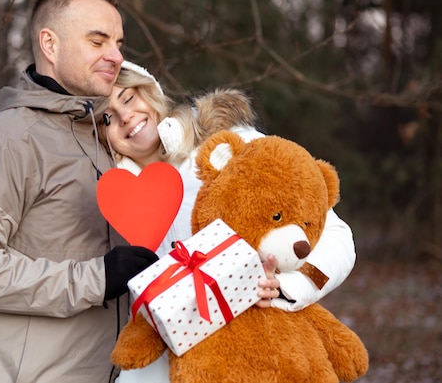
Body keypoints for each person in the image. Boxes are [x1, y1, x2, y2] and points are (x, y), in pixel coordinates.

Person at [0, 0, 162, 383]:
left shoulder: (107, 143)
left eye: (119, 42)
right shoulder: (3, 142)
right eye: (98, 41)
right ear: (50, 45)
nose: (117, 56)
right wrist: (96, 279)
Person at [99, 61, 356, 382]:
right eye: (107, 117)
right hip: (172, 367)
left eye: (127, 98)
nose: (125, 117)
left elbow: (333, 233)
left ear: (149, 92)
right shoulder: (111, 198)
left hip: (263, 347)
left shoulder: (229, 143)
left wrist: (288, 288)